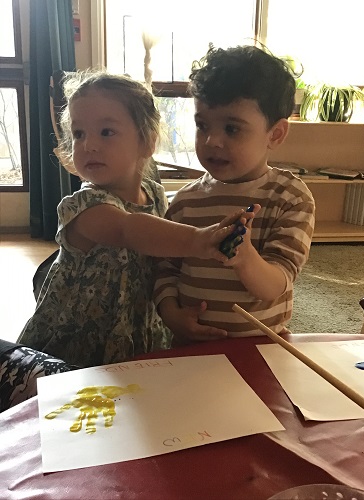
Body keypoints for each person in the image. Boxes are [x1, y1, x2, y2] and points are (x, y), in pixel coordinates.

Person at [17, 70, 253, 368]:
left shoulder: (155, 195)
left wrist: (173, 311)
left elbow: (163, 263)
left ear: (147, 142)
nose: (88, 145)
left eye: (106, 132)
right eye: (79, 133)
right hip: (77, 344)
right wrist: (198, 239)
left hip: (136, 330)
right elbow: (129, 230)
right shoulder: (84, 206)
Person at [153, 44, 316, 344]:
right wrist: (171, 315)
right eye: (202, 125)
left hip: (260, 346)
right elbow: (164, 269)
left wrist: (245, 259)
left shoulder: (290, 198)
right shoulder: (185, 201)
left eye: (232, 128)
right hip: (189, 344)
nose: (212, 141)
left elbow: (278, 282)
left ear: (275, 134)